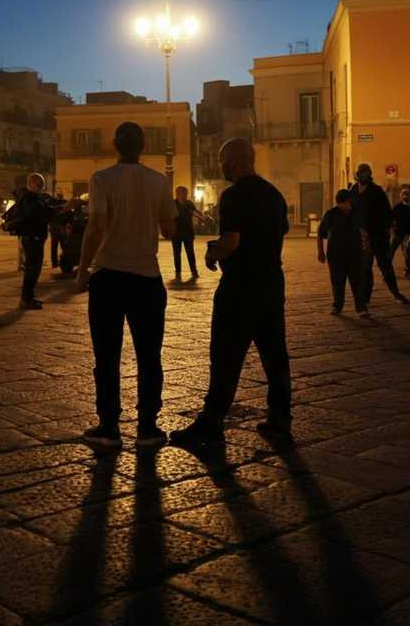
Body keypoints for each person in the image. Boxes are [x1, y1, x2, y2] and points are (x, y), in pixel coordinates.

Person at [171, 139, 292, 449]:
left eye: (223, 161)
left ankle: (211, 423)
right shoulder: (274, 195)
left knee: (225, 356)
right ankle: (280, 420)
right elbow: (282, 231)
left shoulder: (234, 196)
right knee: (275, 356)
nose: (220, 166)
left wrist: (213, 252)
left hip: (240, 287)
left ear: (236, 162)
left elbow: (232, 241)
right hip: (271, 284)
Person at [75, 122, 176, 449]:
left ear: (114, 144)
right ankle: (148, 426)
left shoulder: (101, 179)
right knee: (150, 355)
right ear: (143, 145)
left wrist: (82, 269)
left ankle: (108, 427)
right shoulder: (159, 181)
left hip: (109, 276)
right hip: (147, 277)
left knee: (106, 355)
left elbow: (96, 226)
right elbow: (171, 229)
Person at [348, 164, 407, 305]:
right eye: (362, 173)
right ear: (358, 175)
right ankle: (365, 298)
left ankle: (396, 293)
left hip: (378, 236)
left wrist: (388, 228)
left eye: (366, 173)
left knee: (385, 265)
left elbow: (387, 212)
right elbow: (350, 212)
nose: (364, 176)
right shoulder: (353, 191)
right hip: (362, 237)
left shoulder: (377, 191)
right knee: (365, 268)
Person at [318, 189, 368, 316]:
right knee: (337, 281)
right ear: (345, 201)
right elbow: (320, 233)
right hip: (336, 254)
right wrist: (320, 252)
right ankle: (338, 306)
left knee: (357, 281)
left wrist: (366, 245)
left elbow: (362, 230)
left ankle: (361, 308)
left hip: (354, 252)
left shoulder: (355, 213)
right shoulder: (330, 214)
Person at [10, 174, 56, 309]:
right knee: (32, 270)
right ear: (30, 183)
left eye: (41, 184)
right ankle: (25, 299)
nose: (41, 187)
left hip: (34, 238)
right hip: (32, 239)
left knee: (34, 270)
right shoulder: (29, 199)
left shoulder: (34, 198)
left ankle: (28, 297)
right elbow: (37, 214)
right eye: (38, 184)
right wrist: (56, 210)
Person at [171, 186, 210, 281]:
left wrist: (203, 218)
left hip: (188, 232)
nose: (184, 195)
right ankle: (178, 273)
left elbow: (195, 212)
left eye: (185, 193)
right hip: (176, 233)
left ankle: (194, 271)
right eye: (182, 193)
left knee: (190, 253)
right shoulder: (173, 203)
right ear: (178, 194)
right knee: (177, 253)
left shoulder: (189, 203)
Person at [391, 188, 410, 277]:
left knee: (408, 253)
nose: (406, 196)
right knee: (391, 252)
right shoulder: (397, 207)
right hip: (398, 233)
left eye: (407, 194)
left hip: (409, 234)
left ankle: (409, 271)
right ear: (400, 196)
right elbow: (391, 219)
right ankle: (387, 271)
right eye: (404, 194)